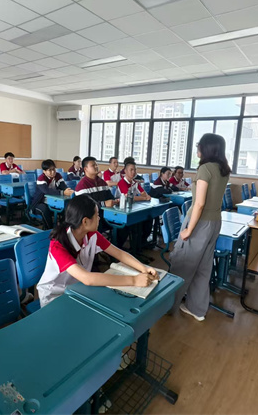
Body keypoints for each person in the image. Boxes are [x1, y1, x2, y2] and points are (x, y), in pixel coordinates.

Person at [37, 194, 159, 307]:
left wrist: (144, 268)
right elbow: (87, 278)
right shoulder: (58, 245)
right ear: (85, 221)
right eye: (97, 215)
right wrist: (134, 280)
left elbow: (119, 254)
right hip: (55, 296)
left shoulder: (91, 235)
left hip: (77, 288)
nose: (99, 218)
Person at [169, 134, 231, 322]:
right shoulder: (223, 169)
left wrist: (188, 230)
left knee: (183, 264)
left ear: (207, 148)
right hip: (214, 222)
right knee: (204, 267)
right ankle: (197, 309)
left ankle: (168, 306)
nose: (198, 149)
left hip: (199, 223)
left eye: (199, 146)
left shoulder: (205, 169)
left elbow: (199, 203)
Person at [115, 161, 153, 250]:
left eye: (135, 170)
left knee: (148, 218)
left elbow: (144, 193)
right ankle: (129, 247)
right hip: (120, 211)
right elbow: (129, 197)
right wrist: (144, 198)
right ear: (125, 171)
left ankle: (141, 242)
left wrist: (145, 196)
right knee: (133, 223)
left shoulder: (135, 182)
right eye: (131, 170)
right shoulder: (121, 183)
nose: (133, 172)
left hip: (132, 208)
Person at [32, 159, 74, 229]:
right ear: (44, 171)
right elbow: (47, 191)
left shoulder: (58, 175)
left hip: (53, 201)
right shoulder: (41, 178)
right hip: (39, 202)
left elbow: (63, 186)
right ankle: (49, 230)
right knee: (45, 210)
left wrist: (67, 190)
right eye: (50, 170)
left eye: (54, 169)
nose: (53, 172)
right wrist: (63, 192)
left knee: (68, 209)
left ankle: (61, 228)